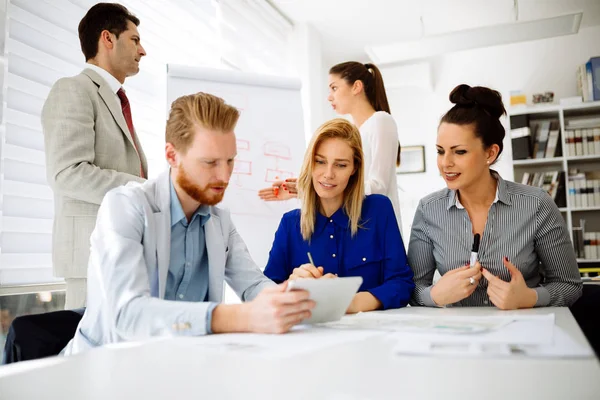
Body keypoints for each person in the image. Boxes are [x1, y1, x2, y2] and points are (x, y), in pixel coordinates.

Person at [62, 92, 315, 355]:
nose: (225, 175)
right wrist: (236, 317)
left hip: (178, 365)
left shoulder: (219, 221)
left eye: (230, 160)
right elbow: (127, 314)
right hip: (103, 368)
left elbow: (252, 285)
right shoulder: (125, 206)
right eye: (210, 162)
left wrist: (296, 297)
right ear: (172, 156)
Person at [408, 84, 582, 309]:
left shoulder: (537, 204)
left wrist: (529, 298)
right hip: (457, 337)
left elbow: (569, 285)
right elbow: (411, 289)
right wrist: (435, 295)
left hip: (522, 333)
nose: (445, 163)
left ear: (490, 153)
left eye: (459, 151)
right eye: (440, 151)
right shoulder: (428, 209)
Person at [42, 3, 148, 309]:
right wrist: (145, 190)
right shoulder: (73, 90)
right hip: (92, 260)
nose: (143, 51)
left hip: (124, 254)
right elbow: (67, 172)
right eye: (135, 40)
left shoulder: (115, 100)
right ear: (108, 39)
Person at [263, 118, 414, 312]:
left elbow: (401, 284)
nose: (328, 174)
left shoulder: (379, 210)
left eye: (340, 165)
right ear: (310, 163)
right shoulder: (290, 224)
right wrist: (291, 285)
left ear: (354, 169)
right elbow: (266, 293)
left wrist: (348, 302)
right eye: (320, 161)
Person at [258, 62, 403, 233]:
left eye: (334, 88)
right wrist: (303, 189)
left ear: (356, 86)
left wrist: (312, 187)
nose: (329, 97)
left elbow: (379, 187)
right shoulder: (352, 131)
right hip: (352, 226)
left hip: (376, 228)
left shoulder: (380, 121)